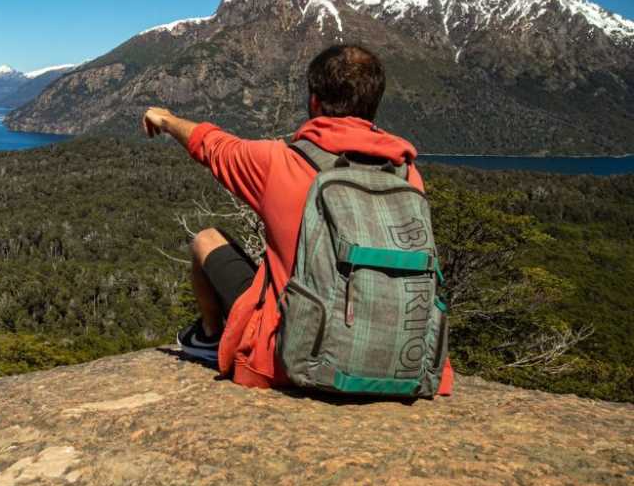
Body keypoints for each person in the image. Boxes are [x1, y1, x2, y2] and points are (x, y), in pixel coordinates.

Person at [142, 44, 454, 392]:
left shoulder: (279, 163)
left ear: (315, 102)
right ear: (373, 104)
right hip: (404, 363)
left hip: (290, 360)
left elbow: (212, 145)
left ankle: (211, 338)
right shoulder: (407, 174)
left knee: (207, 239)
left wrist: (167, 120)